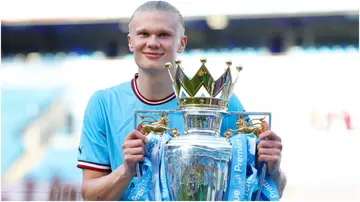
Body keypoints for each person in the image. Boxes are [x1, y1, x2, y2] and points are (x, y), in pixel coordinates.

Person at [76, 1, 287, 200]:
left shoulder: (222, 105)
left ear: (182, 43)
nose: (153, 42)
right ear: (131, 42)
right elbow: (90, 195)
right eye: (144, 34)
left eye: (164, 34)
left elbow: (273, 188)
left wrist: (273, 168)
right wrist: (126, 170)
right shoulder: (103, 104)